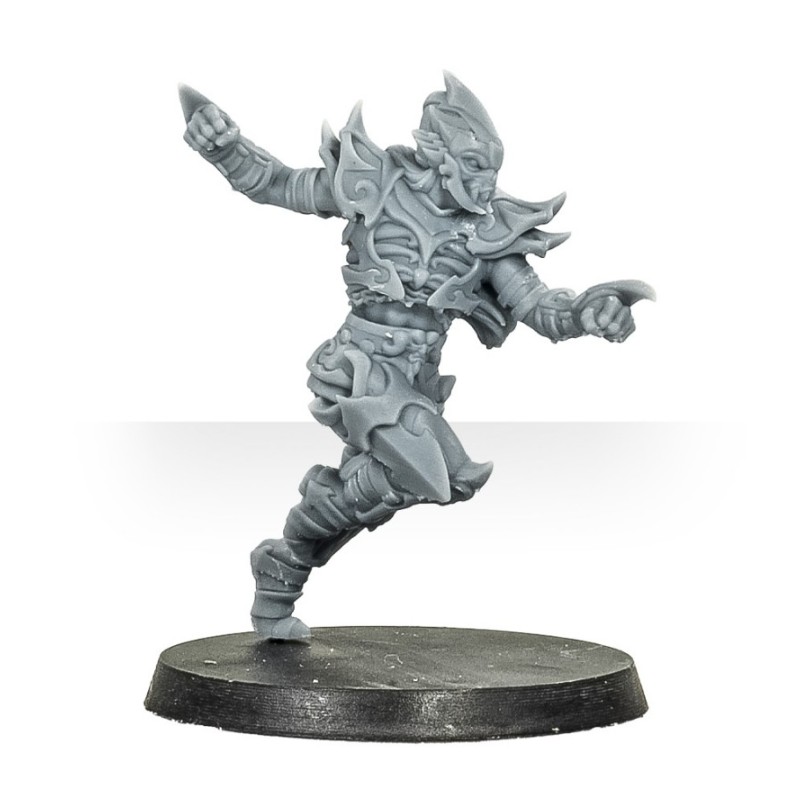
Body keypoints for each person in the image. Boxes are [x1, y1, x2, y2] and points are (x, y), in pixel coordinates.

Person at [181, 73, 653, 639]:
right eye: (474, 165)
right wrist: (224, 147)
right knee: (432, 470)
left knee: (434, 481)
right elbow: (277, 184)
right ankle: (287, 560)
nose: (486, 183)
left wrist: (587, 313)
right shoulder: (373, 185)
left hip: (417, 380)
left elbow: (539, 308)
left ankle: (284, 565)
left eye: (492, 170)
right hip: (358, 364)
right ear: (437, 152)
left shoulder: (488, 231)